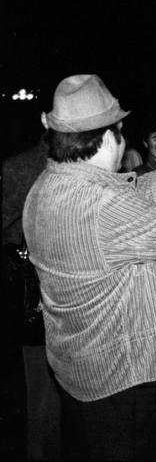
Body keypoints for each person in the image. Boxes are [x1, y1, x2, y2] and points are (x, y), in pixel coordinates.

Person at [22, 74, 156, 461]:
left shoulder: (47, 187)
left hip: (79, 375)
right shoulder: (101, 204)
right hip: (120, 383)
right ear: (107, 137)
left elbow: (128, 195)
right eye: (121, 132)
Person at [2, 134, 61, 460]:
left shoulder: (80, 159)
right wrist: (20, 247)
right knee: (39, 390)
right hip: (34, 297)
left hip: (73, 296)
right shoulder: (20, 167)